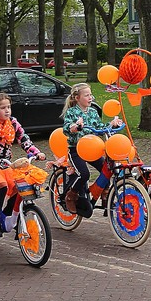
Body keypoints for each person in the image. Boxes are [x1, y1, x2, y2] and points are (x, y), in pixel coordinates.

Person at [0, 92, 45, 239]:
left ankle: (7, 215)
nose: (7, 111)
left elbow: (24, 139)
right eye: (3, 108)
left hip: (6, 166)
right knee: (2, 186)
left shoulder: (13, 123)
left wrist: (36, 152)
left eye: (9, 107)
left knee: (20, 186)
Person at [61, 83, 122, 215]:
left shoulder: (93, 112)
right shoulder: (72, 112)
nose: (90, 98)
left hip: (92, 149)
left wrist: (112, 124)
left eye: (91, 95)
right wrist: (75, 127)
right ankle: (71, 196)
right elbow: (66, 128)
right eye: (86, 95)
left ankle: (105, 195)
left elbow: (100, 127)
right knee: (84, 174)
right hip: (76, 150)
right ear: (77, 98)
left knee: (107, 168)